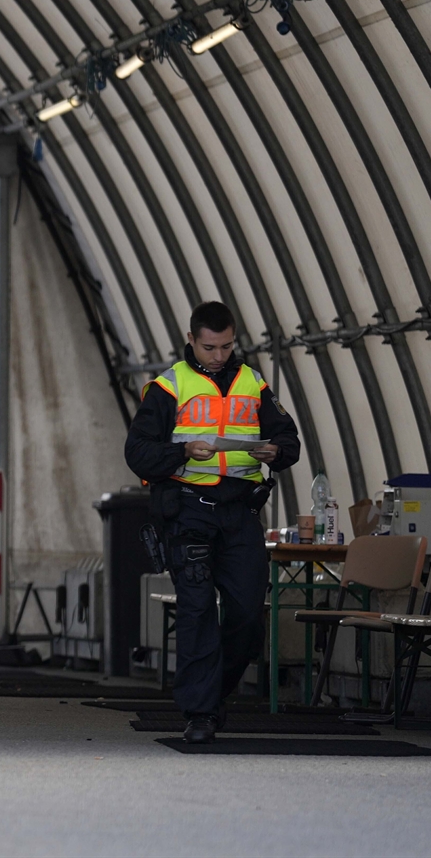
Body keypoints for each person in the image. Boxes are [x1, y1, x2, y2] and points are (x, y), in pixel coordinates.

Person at [124, 300, 300, 743]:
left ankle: (212, 694)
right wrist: (182, 451)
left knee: (247, 615)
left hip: (240, 513)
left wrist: (276, 451)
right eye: (209, 347)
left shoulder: (253, 383)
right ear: (191, 340)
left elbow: (289, 438)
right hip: (189, 511)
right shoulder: (168, 387)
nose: (219, 356)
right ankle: (200, 713)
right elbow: (138, 453)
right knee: (197, 610)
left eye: (226, 346)